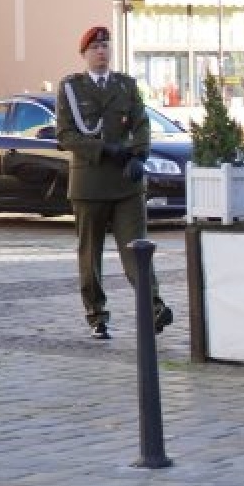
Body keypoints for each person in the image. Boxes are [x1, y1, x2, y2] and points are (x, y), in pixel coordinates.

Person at [55, 25, 173, 340]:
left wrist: (140, 156)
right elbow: (65, 135)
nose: (102, 52)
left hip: (126, 185)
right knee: (90, 255)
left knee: (137, 250)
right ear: (84, 54)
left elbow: (141, 124)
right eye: (95, 48)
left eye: (106, 46)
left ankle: (154, 307)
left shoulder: (126, 86)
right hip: (90, 183)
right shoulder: (71, 88)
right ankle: (96, 315)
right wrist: (103, 148)